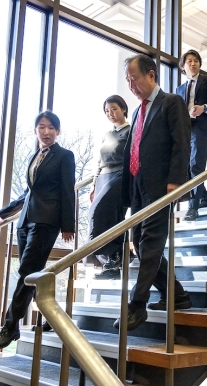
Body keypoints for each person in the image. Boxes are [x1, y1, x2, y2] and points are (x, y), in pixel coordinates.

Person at [115, 54, 192, 331]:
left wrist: (175, 181)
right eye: (128, 80)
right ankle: (178, 295)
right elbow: (132, 152)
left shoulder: (171, 102)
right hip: (138, 186)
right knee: (141, 243)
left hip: (161, 186)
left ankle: (137, 304)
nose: (131, 85)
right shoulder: (137, 112)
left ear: (151, 75)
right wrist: (126, 192)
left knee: (151, 242)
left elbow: (182, 143)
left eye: (133, 78)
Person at [0, 111, 75, 350]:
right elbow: (29, 192)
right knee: (32, 273)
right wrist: (4, 212)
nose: (46, 132)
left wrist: (69, 224)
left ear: (58, 131)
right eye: (41, 127)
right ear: (36, 130)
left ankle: (10, 325)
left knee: (27, 272)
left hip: (47, 221)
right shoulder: (35, 156)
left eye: (50, 128)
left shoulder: (65, 156)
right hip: (26, 220)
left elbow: (68, 190)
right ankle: (52, 317)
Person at [175, 49, 207, 221]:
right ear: (183, 66)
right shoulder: (179, 89)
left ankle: (192, 207)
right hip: (185, 129)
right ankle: (205, 197)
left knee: (196, 164)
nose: (193, 63)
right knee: (187, 166)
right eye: (189, 61)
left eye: (196, 60)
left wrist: (204, 108)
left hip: (201, 127)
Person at [87, 95, 132, 279]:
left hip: (121, 175)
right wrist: (93, 184)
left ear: (123, 109)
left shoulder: (131, 130)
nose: (110, 113)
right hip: (103, 177)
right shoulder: (107, 135)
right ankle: (111, 261)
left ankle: (115, 256)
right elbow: (99, 161)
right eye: (107, 111)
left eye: (114, 109)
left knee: (98, 213)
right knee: (111, 219)